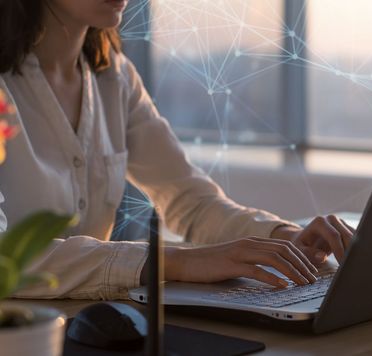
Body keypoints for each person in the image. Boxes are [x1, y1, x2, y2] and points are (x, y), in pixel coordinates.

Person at [0, 0, 353, 300]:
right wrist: (179, 262)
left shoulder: (115, 78)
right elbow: (5, 255)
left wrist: (284, 238)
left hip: (91, 326)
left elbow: (191, 202)